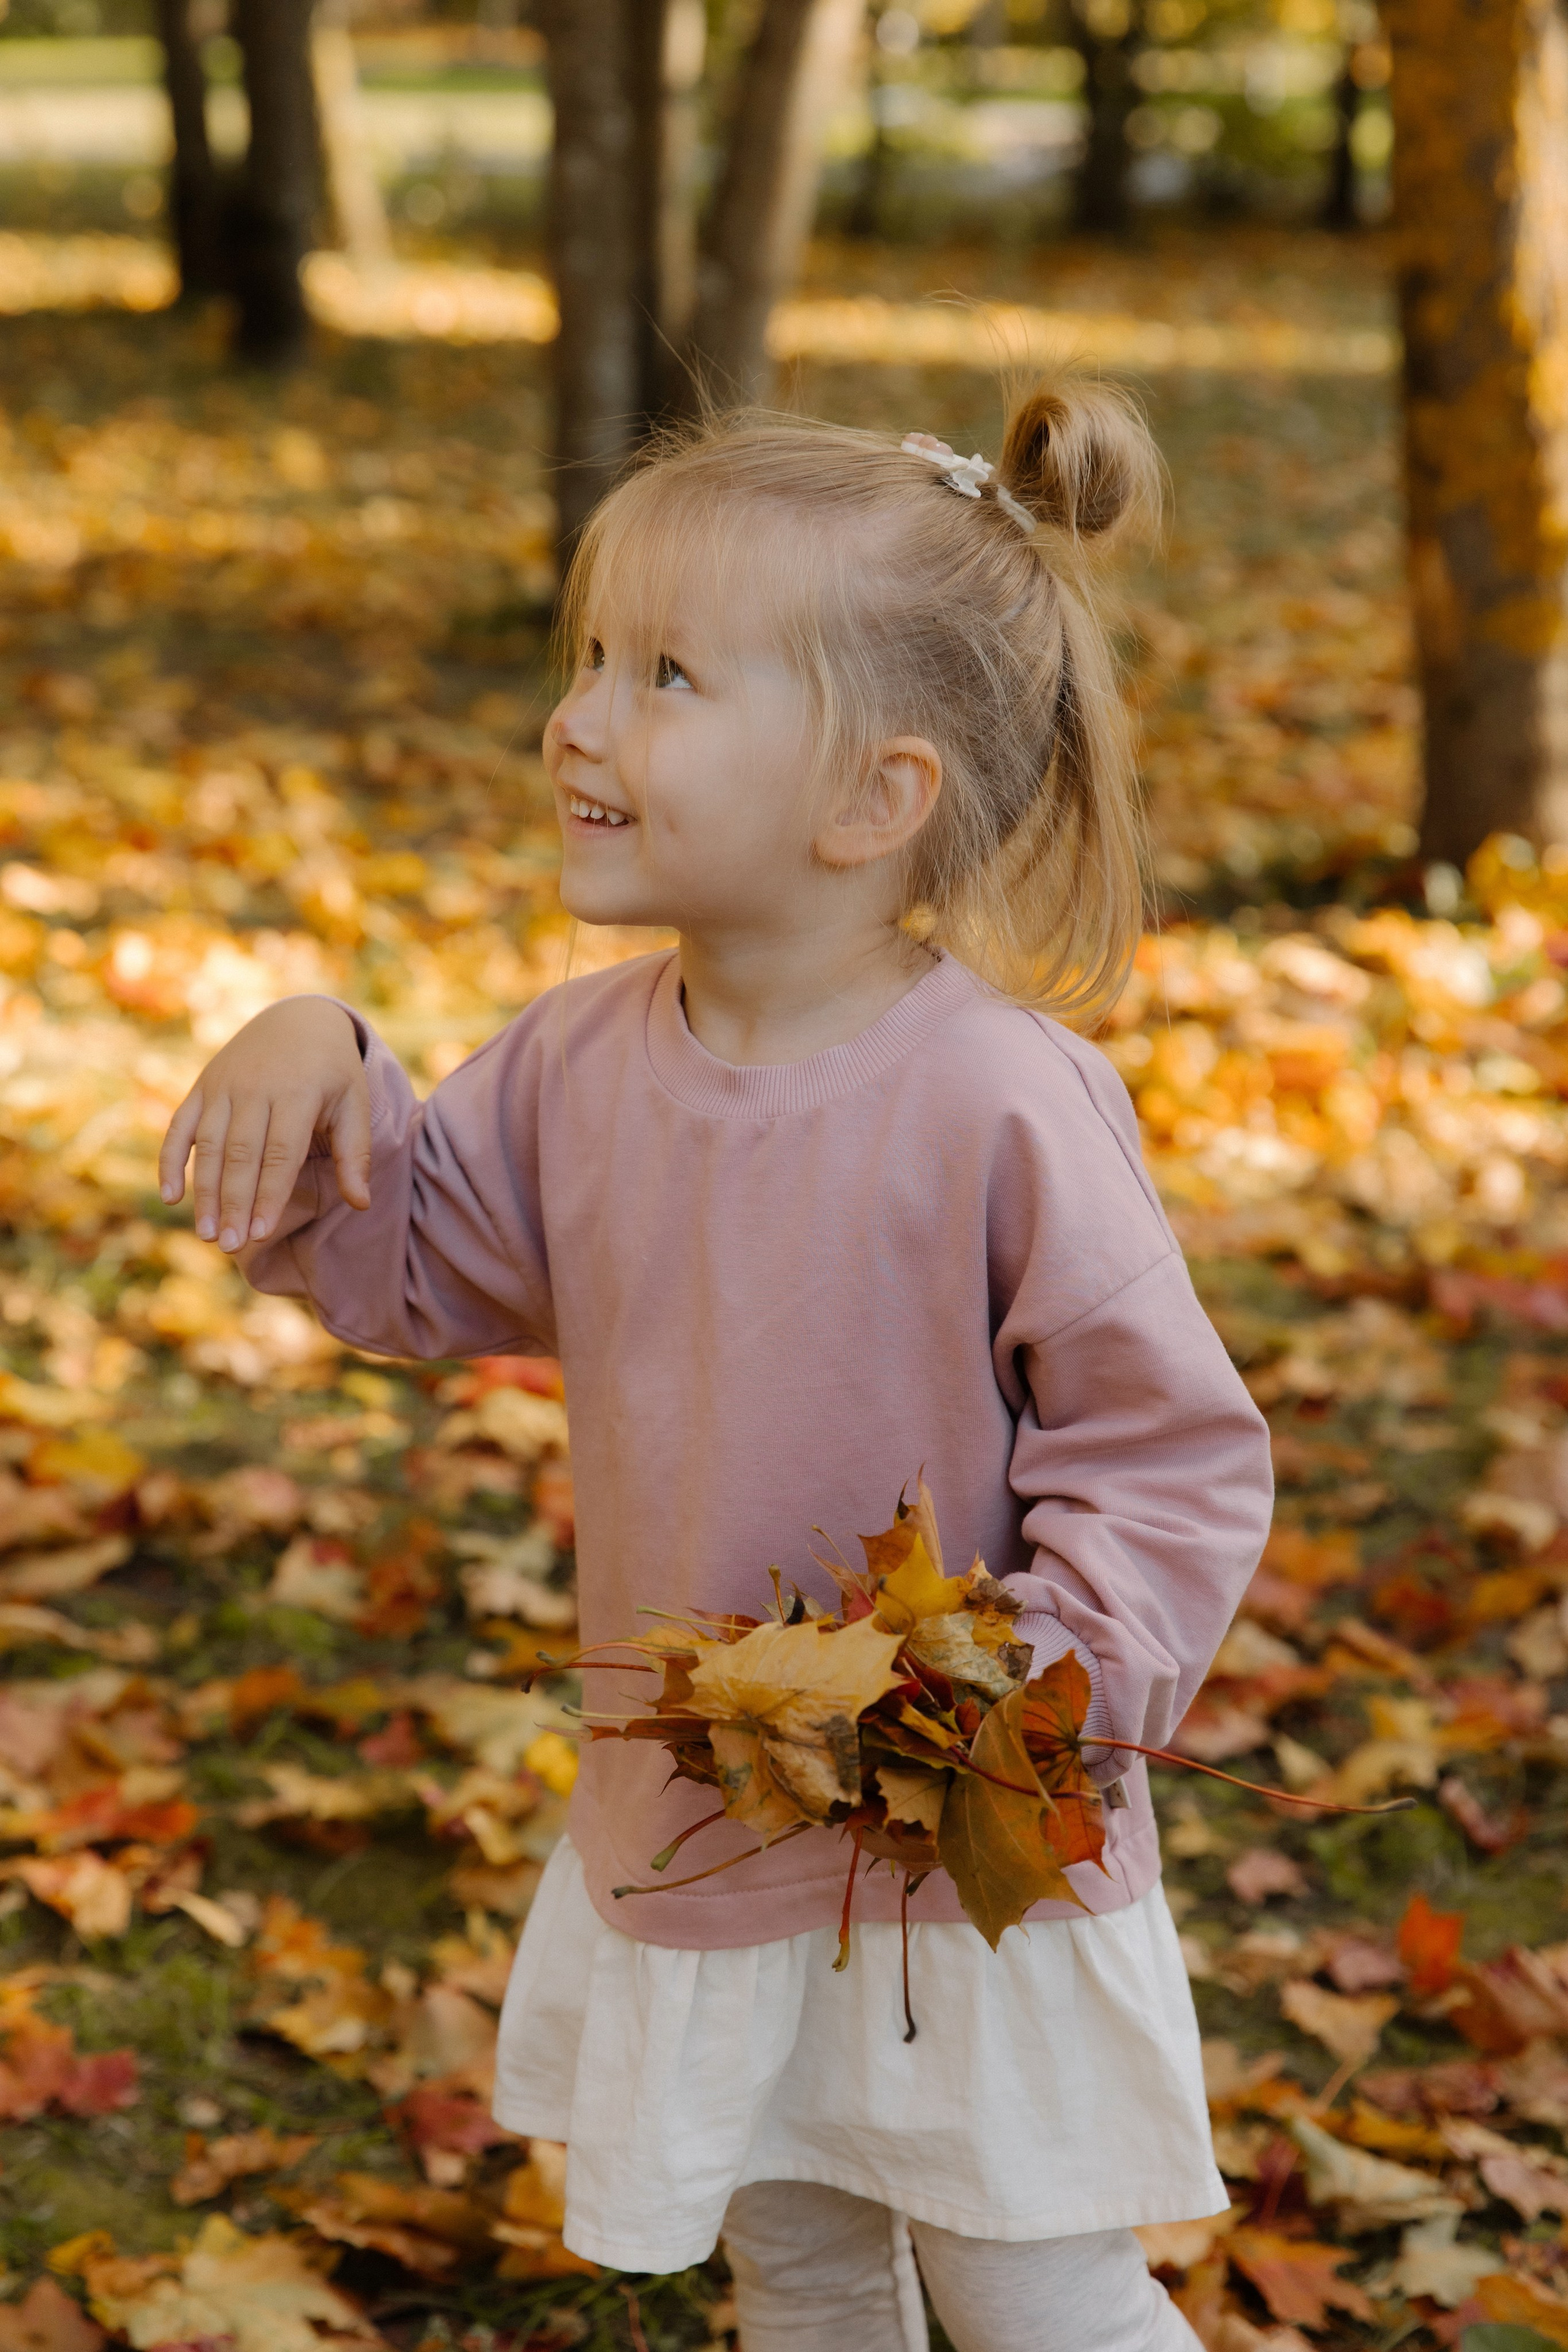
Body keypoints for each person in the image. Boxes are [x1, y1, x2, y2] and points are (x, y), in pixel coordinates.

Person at [159, 383, 1273, 2352]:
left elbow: (1165, 1453)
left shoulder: (997, 1103)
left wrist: (1039, 1683)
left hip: (961, 1840)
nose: (579, 718)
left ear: (874, 799)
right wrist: (317, 1044)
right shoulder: (580, 1070)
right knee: (804, 2260)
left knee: (1035, 2288)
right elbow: (412, 1263)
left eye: (665, 674)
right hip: (706, 1820)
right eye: (587, 658)